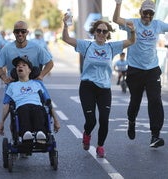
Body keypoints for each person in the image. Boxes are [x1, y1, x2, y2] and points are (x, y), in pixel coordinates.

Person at [62, 15, 135, 157]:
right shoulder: (86, 45)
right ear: (94, 32)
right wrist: (65, 25)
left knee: (104, 120)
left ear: (108, 34)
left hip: (104, 90)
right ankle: (87, 134)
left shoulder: (112, 47)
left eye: (104, 31)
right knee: (91, 121)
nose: (101, 33)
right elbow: (66, 39)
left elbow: (132, 41)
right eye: (99, 31)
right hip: (87, 87)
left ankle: (100, 146)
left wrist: (132, 30)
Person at [113, 0, 168, 148]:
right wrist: (118, 4)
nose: (148, 16)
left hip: (152, 69)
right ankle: (131, 121)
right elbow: (116, 20)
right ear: (141, 12)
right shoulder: (133, 23)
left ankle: (155, 136)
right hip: (135, 70)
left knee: (155, 100)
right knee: (135, 101)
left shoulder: (158, 25)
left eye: (151, 13)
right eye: (146, 13)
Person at [0, 20, 59, 127]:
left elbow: (49, 63)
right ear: (14, 33)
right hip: (14, 81)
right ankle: (17, 137)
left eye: (23, 31)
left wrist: (41, 75)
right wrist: (4, 78)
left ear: (27, 33)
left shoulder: (36, 47)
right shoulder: (7, 49)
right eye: (17, 31)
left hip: (33, 80)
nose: (20, 34)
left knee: (42, 103)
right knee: (14, 113)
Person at [0, 56, 60, 140]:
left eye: (24, 65)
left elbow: (48, 102)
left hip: (37, 106)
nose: (20, 66)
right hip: (21, 107)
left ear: (29, 70)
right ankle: (26, 133)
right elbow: (6, 105)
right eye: (18, 65)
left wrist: (56, 121)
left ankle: (40, 132)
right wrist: (1, 122)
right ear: (16, 70)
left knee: (39, 109)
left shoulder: (37, 84)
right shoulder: (12, 86)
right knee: (23, 109)